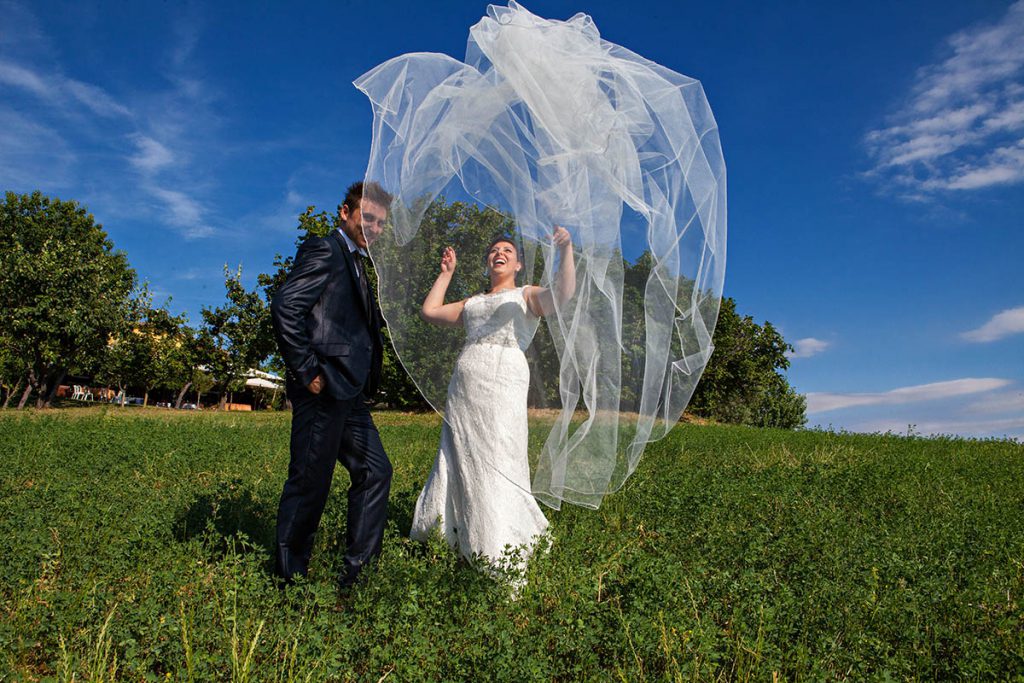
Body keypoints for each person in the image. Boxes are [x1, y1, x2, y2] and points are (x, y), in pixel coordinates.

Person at [411, 226, 575, 576]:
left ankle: (498, 545)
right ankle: (449, 535)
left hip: (504, 379)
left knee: (500, 451)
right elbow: (429, 311)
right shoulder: (473, 303)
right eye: (494, 251)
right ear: (487, 263)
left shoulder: (526, 295)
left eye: (508, 251)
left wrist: (566, 251)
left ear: (517, 265)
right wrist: (446, 274)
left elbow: (562, 294)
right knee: (457, 452)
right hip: (466, 382)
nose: (499, 253)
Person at [270, 180, 393, 590]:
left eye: (380, 223)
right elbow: (287, 306)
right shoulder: (325, 249)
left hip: (351, 392)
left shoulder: (359, 261)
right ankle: (289, 582)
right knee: (310, 481)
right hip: (323, 385)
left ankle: (357, 577)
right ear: (346, 212)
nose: (373, 228)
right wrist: (307, 372)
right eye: (367, 218)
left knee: (376, 471)